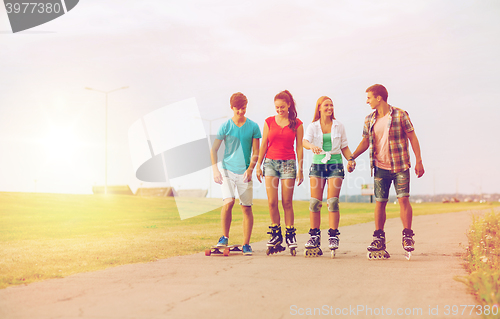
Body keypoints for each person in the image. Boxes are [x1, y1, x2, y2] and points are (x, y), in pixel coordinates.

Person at [349, 84, 424, 260]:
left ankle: (407, 235)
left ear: (379, 98)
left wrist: (419, 160)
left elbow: (412, 137)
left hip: (400, 166)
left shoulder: (400, 114)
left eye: (369, 97)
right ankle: (379, 238)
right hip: (380, 167)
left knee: (403, 199)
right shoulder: (369, 119)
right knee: (380, 202)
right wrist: (352, 156)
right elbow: (365, 141)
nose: (367, 101)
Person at [302, 96, 354, 257]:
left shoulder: (339, 126)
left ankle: (333, 235)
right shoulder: (313, 126)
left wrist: (351, 160)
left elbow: (344, 146)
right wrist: (311, 146)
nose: (329, 107)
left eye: (331, 105)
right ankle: (314, 236)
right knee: (314, 203)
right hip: (317, 165)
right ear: (319, 108)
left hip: (335, 164)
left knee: (332, 202)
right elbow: (304, 141)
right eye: (326, 105)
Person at [210, 92, 261, 256]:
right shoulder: (226, 126)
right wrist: (215, 170)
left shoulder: (253, 127)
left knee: (246, 208)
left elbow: (256, 152)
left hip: (245, 172)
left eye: (244, 108)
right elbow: (214, 150)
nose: (241, 112)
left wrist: (250, 169)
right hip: (227, 171)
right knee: (229, 202)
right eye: (238, 109)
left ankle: (246, 244)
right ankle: (224, 237)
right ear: (232, 108)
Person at [256, 90, 304, 255]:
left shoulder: (297, 123)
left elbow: (299, 148)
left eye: (282, 107)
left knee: (287, 202)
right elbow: (263, 145)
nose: (279, 110)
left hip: (288, 164)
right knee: (271, 202)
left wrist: (301, 169)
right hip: (270, 163)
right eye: (277, 107)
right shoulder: (269, 122)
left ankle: (290, 235)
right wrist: (258, 166)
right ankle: (276, 234)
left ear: (289, 105)